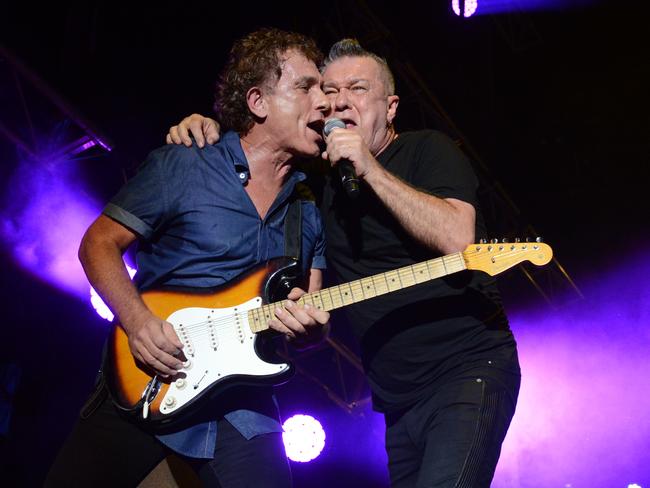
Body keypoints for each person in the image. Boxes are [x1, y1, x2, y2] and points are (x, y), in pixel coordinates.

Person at [168, 39, 521, 488]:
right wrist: (207, 128)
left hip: (468, 371)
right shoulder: (319, 182)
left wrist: (369, 167)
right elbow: (261, 146)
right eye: (329, 90)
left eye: (357, 88)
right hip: (396, 399)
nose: (338, 101)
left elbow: (457, 239)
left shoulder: (427, 150)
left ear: (390, 107)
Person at [45, 28, 332, 488]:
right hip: (147, 380)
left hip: (243, 409)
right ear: (258, 102)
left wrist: (312, 329)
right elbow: (97, 244)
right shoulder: (185, 163)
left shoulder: (308, 213)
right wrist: (138, 323)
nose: (324, 102)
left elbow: (312, 321)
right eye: (305, 87)